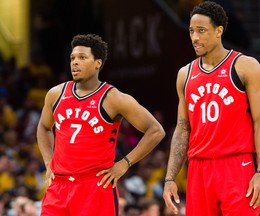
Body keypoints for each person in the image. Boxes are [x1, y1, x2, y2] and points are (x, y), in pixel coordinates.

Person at [162, 1, 260, 215]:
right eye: (192, 31)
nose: (195, 37)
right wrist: (170, 177)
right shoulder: (184, 74)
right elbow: (183, 128)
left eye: (201, 31)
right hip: (198, 169)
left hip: (236, 165)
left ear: (219, 31)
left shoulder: (245, 66)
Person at [36, 34, 165, 215]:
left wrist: (125, 163)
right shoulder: (56, 94)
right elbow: (43, 127)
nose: (75, 62)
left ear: (98, 63)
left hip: (94, 186)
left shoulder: (114, 98)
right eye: (73, 58)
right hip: (59, 186)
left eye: (82, 57)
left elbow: (156, 130)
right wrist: (48, 162)